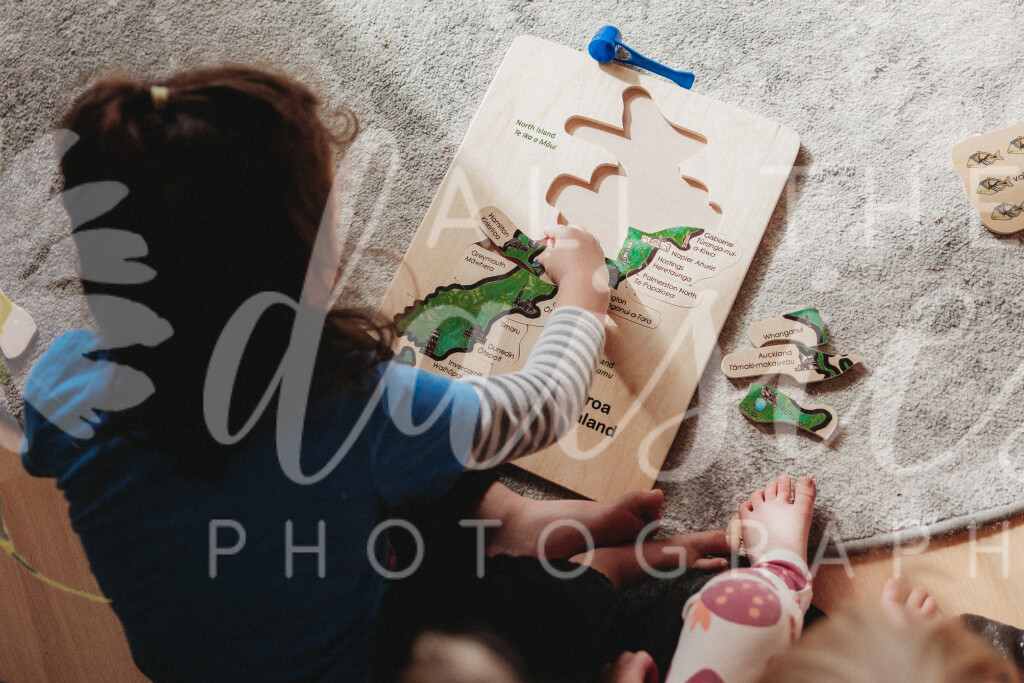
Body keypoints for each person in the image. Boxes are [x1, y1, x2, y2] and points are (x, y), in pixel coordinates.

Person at [21, 66, 729, 682]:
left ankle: (527, 523)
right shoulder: (355, 402)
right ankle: (609, 569)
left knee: (406, 455)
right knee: (525, 596)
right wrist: (583, 286)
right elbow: (542, 405)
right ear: (304, 267)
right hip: (364, 665)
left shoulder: (59, 387)